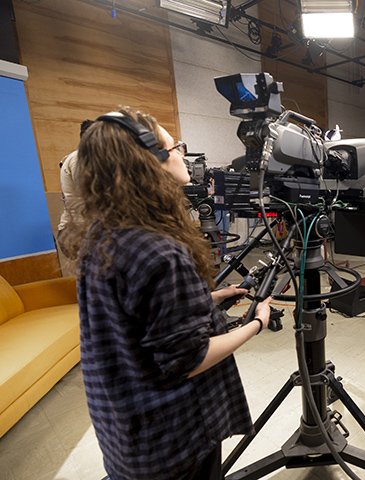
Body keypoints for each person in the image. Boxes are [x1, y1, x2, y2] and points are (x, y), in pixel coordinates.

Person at [60, 107, 272, 480]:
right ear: (148, 161)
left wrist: (206, 300)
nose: (182, 154)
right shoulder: (159, 250)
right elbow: (189, 360)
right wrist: (255, 323)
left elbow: (135, 320)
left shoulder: (102, 236)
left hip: (127, 435)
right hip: (173, 441)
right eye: (176, 147)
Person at [56, 119, 94, 255]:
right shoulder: (78, 158)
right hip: (75, 233)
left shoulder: (86, 159)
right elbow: (89, 195)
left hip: (85, 230)